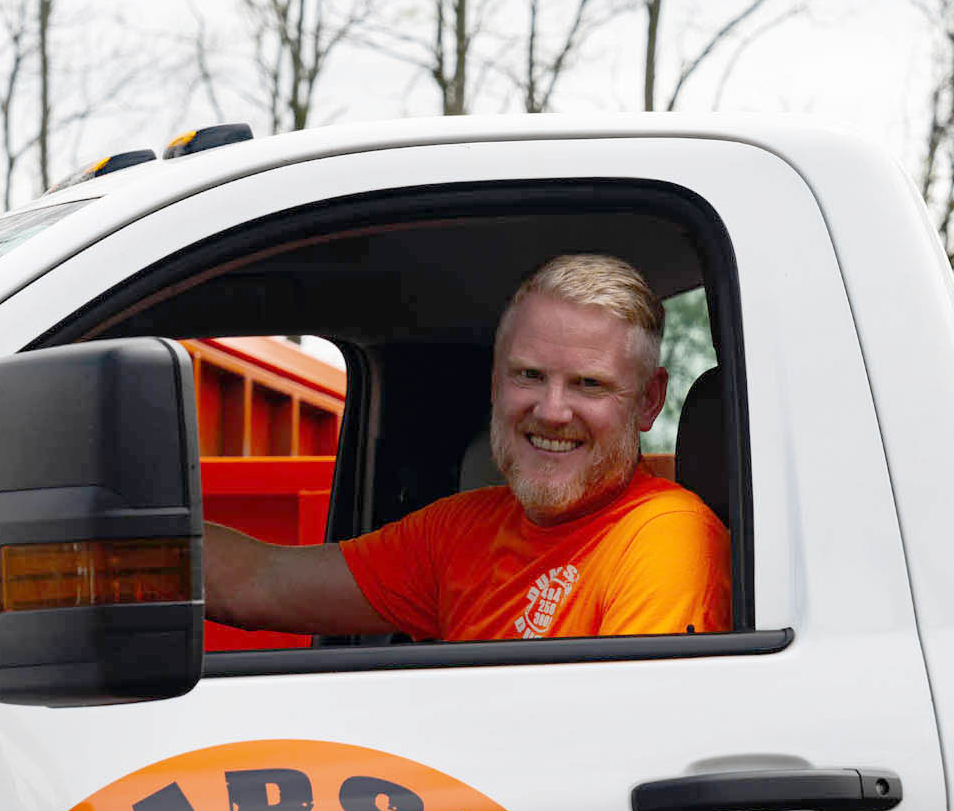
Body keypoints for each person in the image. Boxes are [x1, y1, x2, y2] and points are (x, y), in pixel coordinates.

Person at [204, 254, 730, 640]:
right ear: (497, 385)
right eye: (529, 375)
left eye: (589, 384)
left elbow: (622, 754)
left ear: (648, 401)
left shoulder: (665, 540)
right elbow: (260, 581)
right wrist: (132, 536)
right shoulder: (460, 530)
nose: (551, 410)